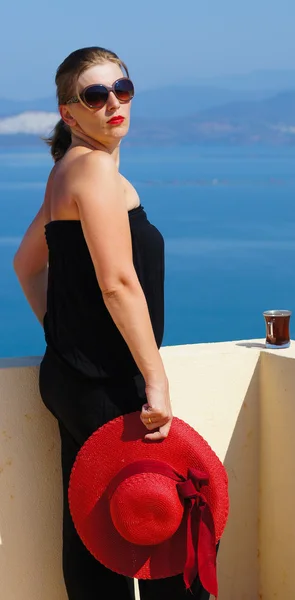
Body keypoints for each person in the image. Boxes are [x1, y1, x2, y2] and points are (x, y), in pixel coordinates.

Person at [13, 46, 210, 600]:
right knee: (168, 535)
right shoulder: (95, 170)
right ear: (68, 113)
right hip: (108, 384)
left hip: (72, 378)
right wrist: (157, 380)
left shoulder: (65, 171)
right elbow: (118, 282)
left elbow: (26, 265)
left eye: (121, 89)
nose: (113, 104)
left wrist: (63, 333)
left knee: (93, 536)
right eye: (95, 96)